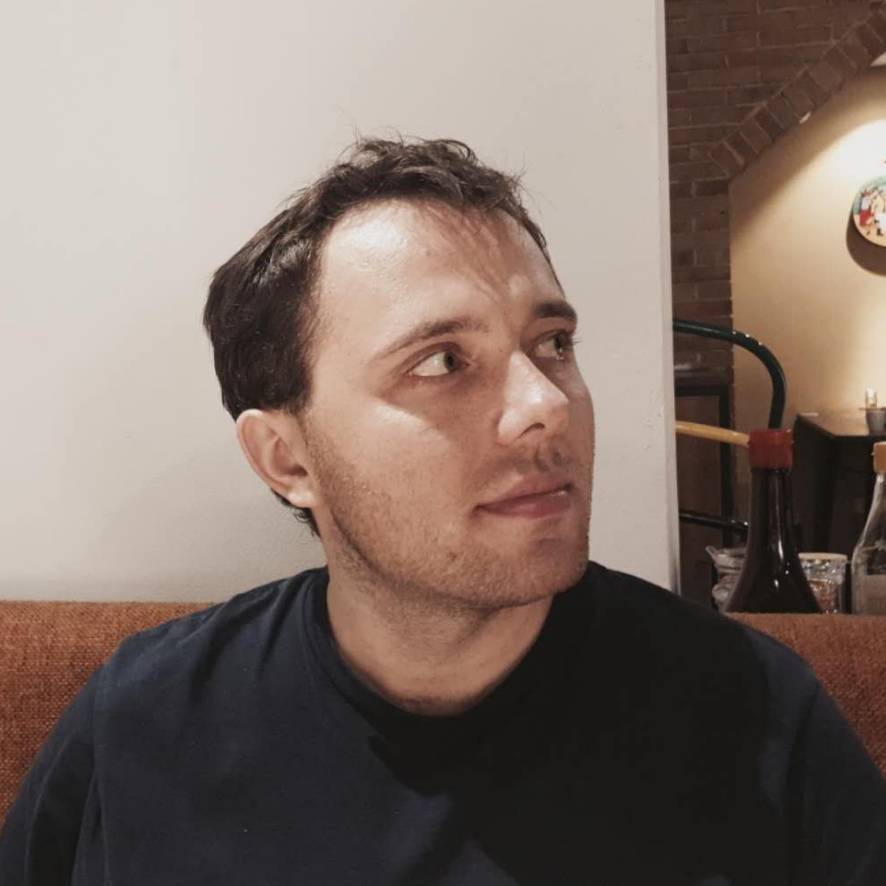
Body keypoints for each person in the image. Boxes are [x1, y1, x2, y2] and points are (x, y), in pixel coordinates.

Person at [1, 137, 884, 885]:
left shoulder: (755, 715)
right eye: (440, 363)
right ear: (288, 458)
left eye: (553, 343)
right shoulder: (147, 720)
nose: (547, 404)